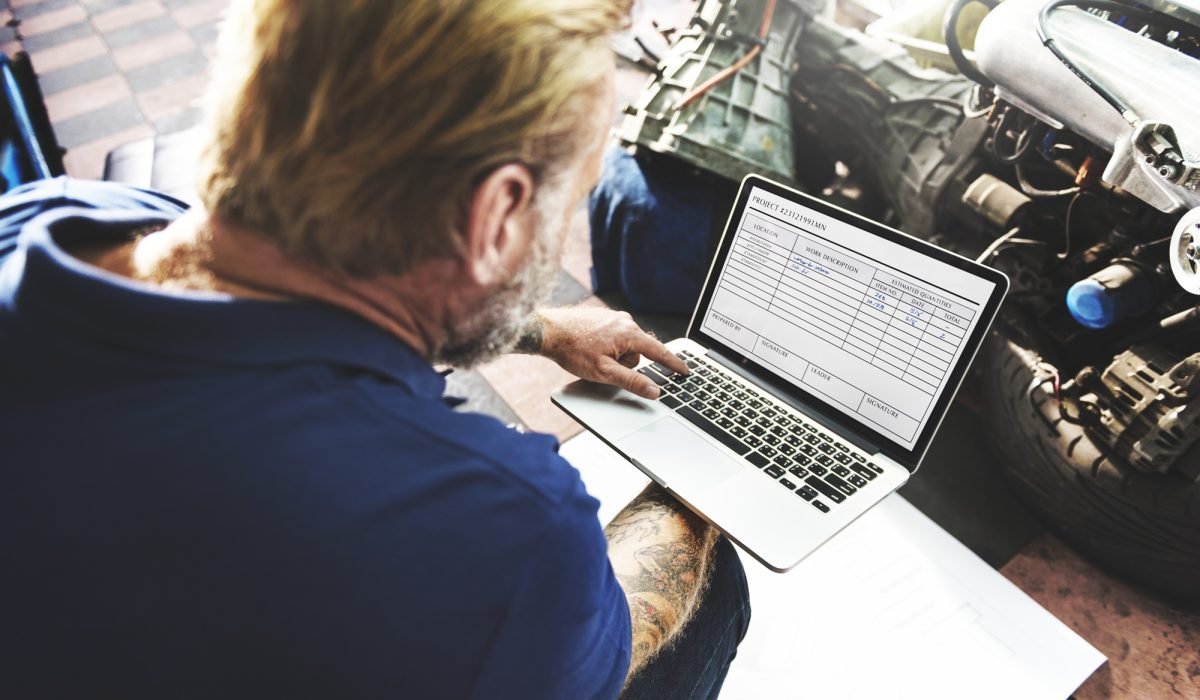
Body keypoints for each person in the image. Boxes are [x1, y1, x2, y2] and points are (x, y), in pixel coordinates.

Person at [0, 1, 749, 698]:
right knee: (716, 596)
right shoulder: (507, 530)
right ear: (497, 214)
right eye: (571, 200)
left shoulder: (47, 219)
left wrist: (544, 329)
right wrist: (710, 453)